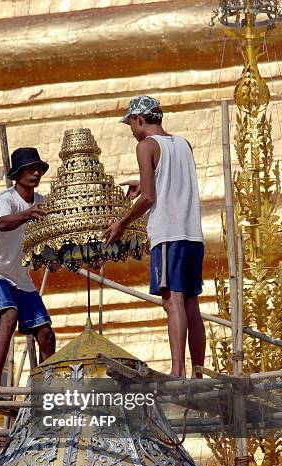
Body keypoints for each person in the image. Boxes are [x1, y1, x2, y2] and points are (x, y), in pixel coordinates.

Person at [103, 95, 205, 378]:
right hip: (193, 235)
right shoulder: (183, 144)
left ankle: (177, 370)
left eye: (131, 125)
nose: (132, 131)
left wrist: (121, 223)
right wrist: (147, 180)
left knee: (172, 301)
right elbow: (170, 178)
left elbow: (148, 197)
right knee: (191, 303)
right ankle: (197, 371)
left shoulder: (145, 146)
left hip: (168, 234)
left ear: (139, 119)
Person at [0, 147, 56, 385]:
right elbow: (2, 224)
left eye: (38, 169)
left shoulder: (42, 202)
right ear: (17, 175)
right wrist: (27, 214)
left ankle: (48, 388)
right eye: (29, 169)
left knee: (46, 334)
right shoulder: (6, 200)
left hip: (21, 278)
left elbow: (53, 231)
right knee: (9, 316)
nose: (35, 173)